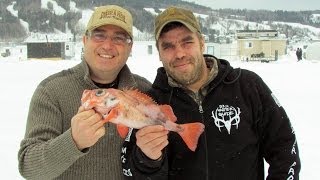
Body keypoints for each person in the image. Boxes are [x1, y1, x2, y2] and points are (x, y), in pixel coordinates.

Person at [121, 6, 301, 180]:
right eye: (168, 46)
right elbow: (131, 172)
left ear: (201, 42)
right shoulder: (150, 103)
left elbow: (285, 149)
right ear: (159, 53)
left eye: (187, 42)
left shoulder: (247, 86)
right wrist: (147, 159)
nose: (179, 54)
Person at [18, 5, 151, 180]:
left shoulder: (145, 91)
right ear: (84, 40)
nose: (107, 45)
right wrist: (73, 141)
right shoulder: (51, 90)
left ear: (130, 46)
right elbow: (29, 168)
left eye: (119, 38)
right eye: (99, 35)